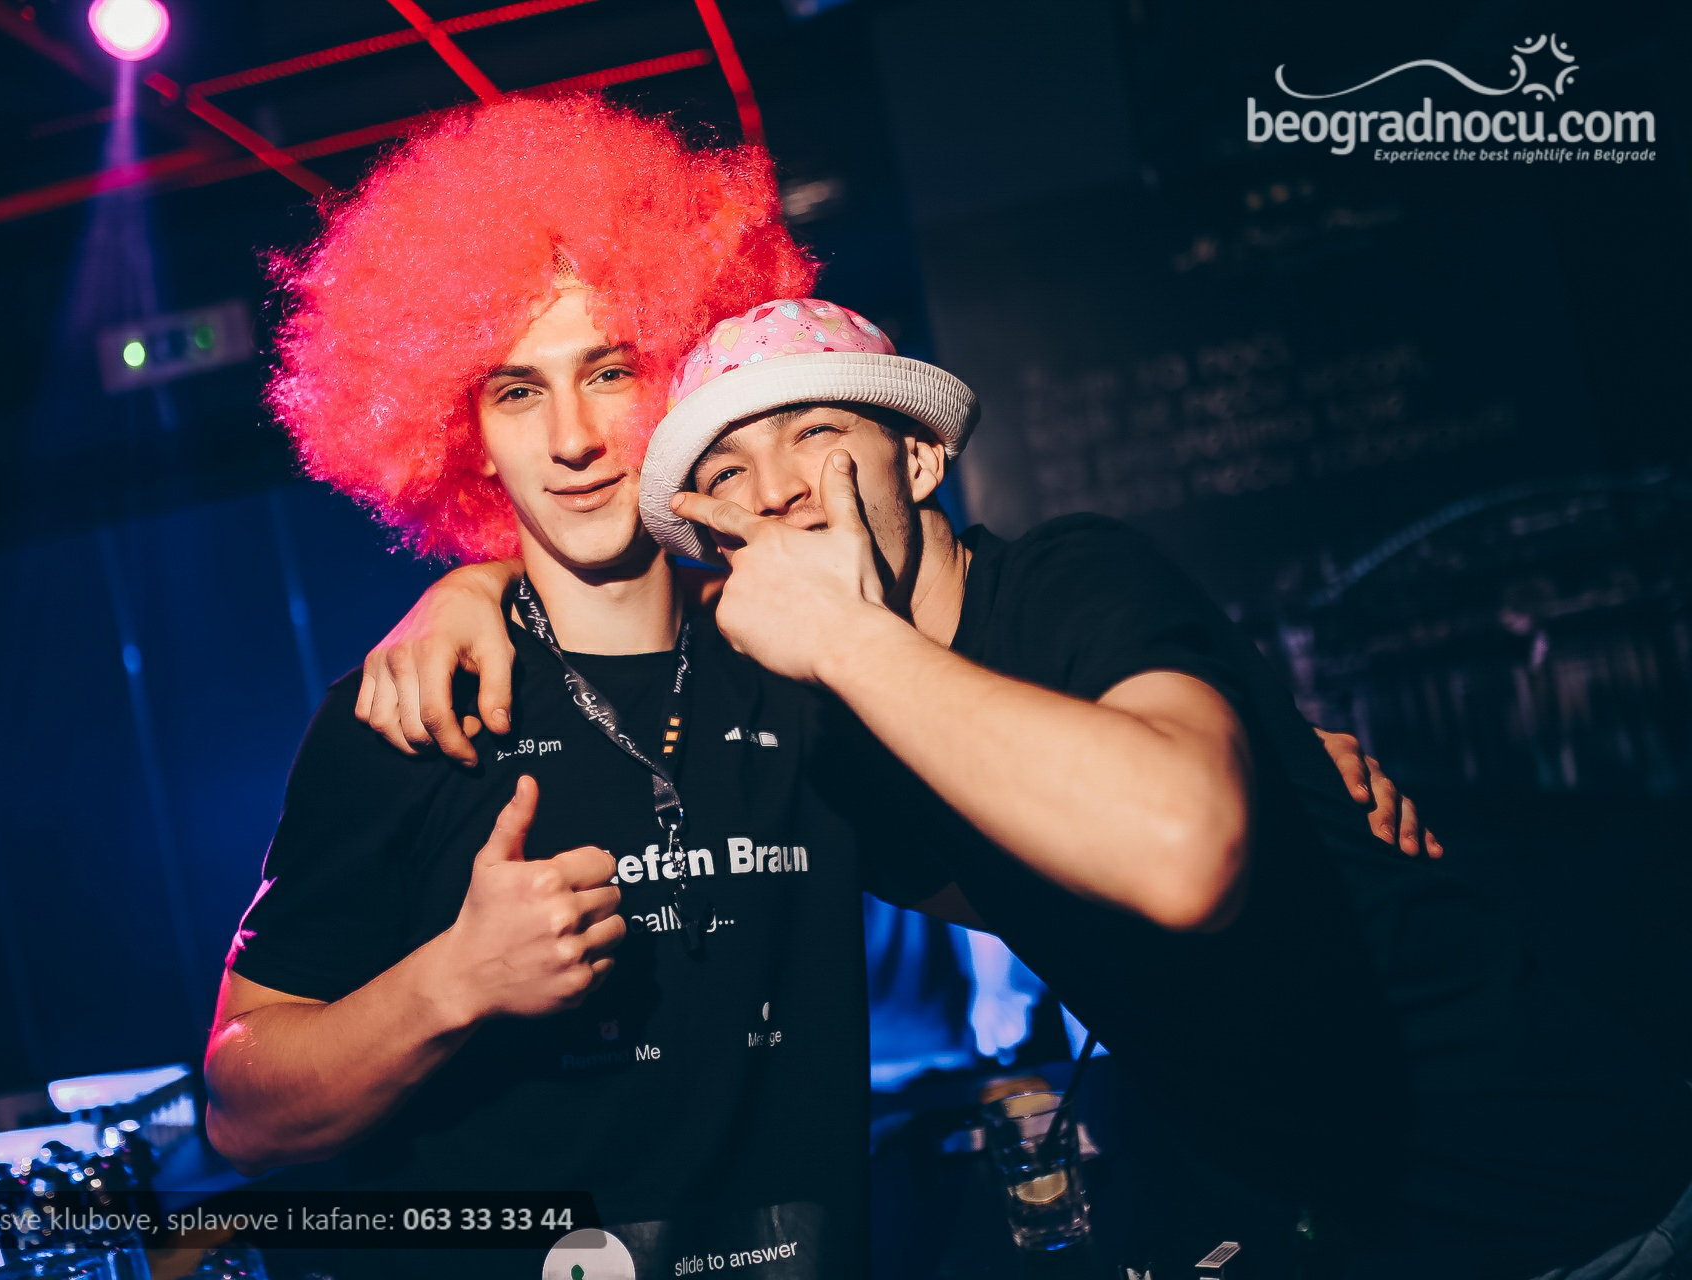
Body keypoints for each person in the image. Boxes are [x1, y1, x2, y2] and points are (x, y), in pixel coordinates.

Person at [361, 298, 1692, 1279]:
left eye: (817, 435)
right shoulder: (835, 739)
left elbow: (1181, 849)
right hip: (1354, 1235)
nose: (777, 496)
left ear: (920, 462)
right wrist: (473, 582)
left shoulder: (1068, 578)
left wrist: (843, 635)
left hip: (1572, 1206)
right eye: (724, 477)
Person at [205, 100, 907, 1279]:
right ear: (466, 432)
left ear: (681, 377)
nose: (574, 438)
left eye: (610, 369)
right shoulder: (412, 710)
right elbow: (240, 1111)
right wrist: (456, 981)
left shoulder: (804, 653)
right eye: (517, 390)